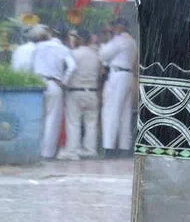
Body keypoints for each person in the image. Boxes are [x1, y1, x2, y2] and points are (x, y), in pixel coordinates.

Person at [31, 26, 77, 160]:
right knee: (52, 120)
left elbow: (30, 64)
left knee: (37, 118)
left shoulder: (37, 47)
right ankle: (47, 153)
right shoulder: (64, 49)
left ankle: (34, 150)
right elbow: (73, 67)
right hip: (54, 84)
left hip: (37, 84)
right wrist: (65, 81)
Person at [58, 30, 102, 160]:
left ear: (79, 39)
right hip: (92, 92)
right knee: (91, 123)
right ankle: (90, 150)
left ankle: (72, 151)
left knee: (74, 122)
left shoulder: (73, 54)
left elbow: (68, 70)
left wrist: (64, 83)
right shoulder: (95, 55)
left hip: (75, 91)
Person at [98, 17, 138, 154]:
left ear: (120, 27)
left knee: (111, 110)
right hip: (128, 75)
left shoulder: (118, 41)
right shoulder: (132, 41)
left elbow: (103, 55)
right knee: (125, 113)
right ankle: (124, 147)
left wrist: (106, 40)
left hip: (117, 75)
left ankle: (109, 147)